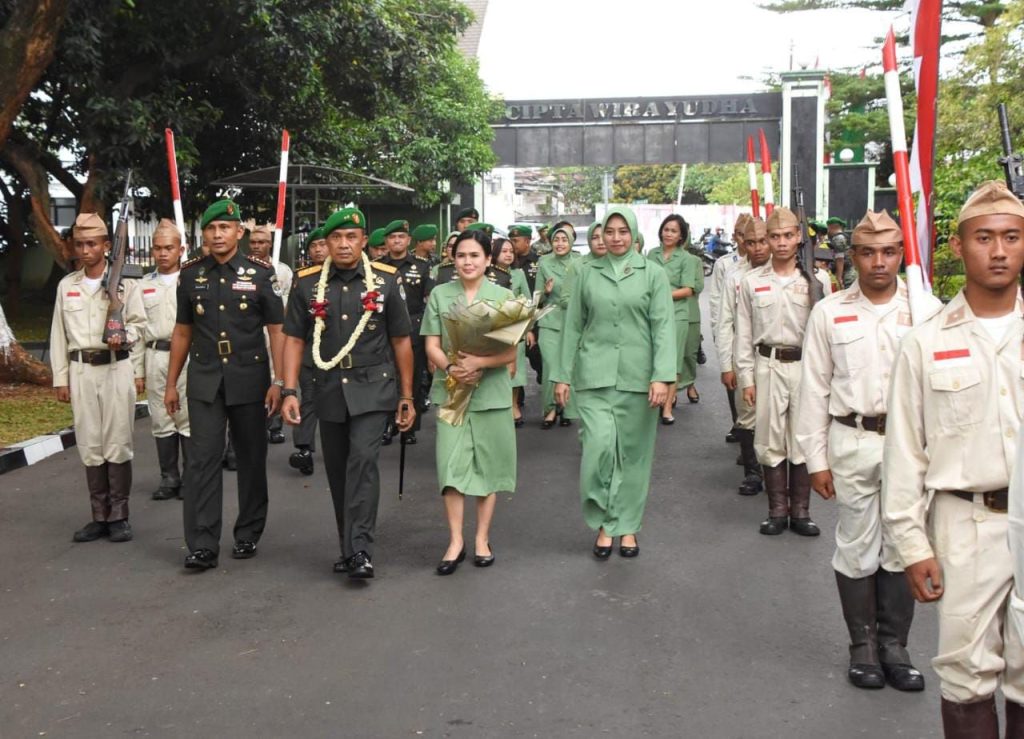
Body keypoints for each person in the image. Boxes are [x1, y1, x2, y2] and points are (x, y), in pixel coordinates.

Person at [881, 181, 1024, 736]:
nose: (998, 250)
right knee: (966, 673)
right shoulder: (924, 342)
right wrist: (912, 546)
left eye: (1011, 237)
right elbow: (904, 455)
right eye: (984, 237)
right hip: (968, 523)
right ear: (958, 247)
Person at [797, 210, 941, 691]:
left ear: (902, 253)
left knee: (905, 545)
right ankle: (862, 647)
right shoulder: (829, 312)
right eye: (867, 252)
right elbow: (813, 389)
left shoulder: (928, 309)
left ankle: (895, 647)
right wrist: (815, 460)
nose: (879, 261)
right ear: (852, 256)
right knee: (857, 546)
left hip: (912, 446)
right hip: (853, 439)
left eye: (889, 251)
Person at [281, 207, 416, 579]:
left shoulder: (386, 280)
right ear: (325, 243)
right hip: (328, 388)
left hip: (374, 388)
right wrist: (289, 389)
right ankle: (348, 545)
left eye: (351, 237)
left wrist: (407, 396)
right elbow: (293, 339)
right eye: (336, 238)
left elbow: (401, 340)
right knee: (339, 471)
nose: (343, 244)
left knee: (363, 462)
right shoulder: (307, 283)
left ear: (362, 241)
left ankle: (360, 549)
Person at [165, 199, 285, 570]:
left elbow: (277, 331)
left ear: (238, 232)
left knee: (251, 458)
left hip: (250, 379)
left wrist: (280, 381)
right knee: (201, 461)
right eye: (211, 229)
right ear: (203, 234)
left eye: (225, 228)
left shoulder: (261, 274)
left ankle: (248, 532)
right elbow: (183, 331)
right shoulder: (190, 275)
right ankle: (202, 543)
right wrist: (171, 382)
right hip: (203, 378)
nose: (218, 235)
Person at [553, 206, 675, 559]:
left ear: (634, 235)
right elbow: (573, 325)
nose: (617, 237)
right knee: (598, 450)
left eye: (623, 231)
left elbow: (664, 328)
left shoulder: (652, 274)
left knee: (634, 457)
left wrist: (662, 377)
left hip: (640, 379)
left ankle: (626, 527)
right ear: (602, 234)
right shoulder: (586, 273)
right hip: (593, 376)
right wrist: (561, 375)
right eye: (610, 231)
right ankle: (605, 518)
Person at [422, 229, 517, 575]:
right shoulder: (439, 295)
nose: (467, 262)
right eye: (461, 255)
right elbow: (431, 344)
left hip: (490, 394)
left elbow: (509, 350)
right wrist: (452, 367)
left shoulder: (503, 295)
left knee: (488, 467)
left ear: (488, 259)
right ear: (453, 259)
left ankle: (481, 538)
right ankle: (455, 540)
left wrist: (479, 363)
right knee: (450, 468)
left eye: (475, 255)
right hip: (450, 391)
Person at [50, 212, 146, 543]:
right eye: (80, 244)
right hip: (81, 370)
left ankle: (119, 515)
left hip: (116, 368)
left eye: (92, 243)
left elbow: (140, 324)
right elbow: (58, 336)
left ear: (107, 246)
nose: (86, 250)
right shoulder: (67, 286)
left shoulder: (126, 283)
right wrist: (60, 379)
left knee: (117, 440)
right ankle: (98, 515)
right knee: (91, 442)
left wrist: (124, 333)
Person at [735, 206, 822, 537]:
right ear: (767, 240)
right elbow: (743, 334)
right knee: (770, 439)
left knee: (802, 439)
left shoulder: (816, 279)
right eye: (775, 236)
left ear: (799, 237)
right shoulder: (752, 281)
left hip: (806, 367)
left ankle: (801, 511)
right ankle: (777, 510)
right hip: (767, 365)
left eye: (788, 235)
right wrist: (746, 378)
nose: (782, 243)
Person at [716, 217, 771, 496]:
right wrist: (726, 365)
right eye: (751, 242)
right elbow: (724, 322)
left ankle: (776, 475)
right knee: (747, 415)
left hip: (778, 357)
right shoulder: (734, 276)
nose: (759, 248)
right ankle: (753, 473)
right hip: (744, 352)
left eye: (764, 240)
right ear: (743, 244)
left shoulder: (793, 274)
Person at [141, 219, 190, 500]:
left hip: (186, 357)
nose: (163, 253)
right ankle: (169, 477)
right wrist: (137, 370)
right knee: (161, 418)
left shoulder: (192, 280)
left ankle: (190, 477)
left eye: (169, 248)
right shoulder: (143, 284)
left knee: (187, 417)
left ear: (180, 249)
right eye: (158, 248)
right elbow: (137, 329)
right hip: (155, 355)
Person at [375, 219, 433, 445]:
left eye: (401, 237)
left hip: (413, 327)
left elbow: (429, 300)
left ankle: (410, 426)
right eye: (392, 237)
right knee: (387, 376)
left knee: (414, 377)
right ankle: (389, 422)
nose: (396, 241)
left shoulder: (422, 265)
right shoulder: (377, 265)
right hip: (384, 329)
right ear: (386, 241)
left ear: (408, 241)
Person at [647, 214, 702, 424]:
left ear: (681, 236)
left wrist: (662, 295)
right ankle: (653, 402)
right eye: (666, 229)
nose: (668, 234)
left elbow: (688, 289)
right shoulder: (652, 255)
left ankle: (668, 407)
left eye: (673, 231)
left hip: (678, 315)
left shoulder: (687, 259)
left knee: (674, 360)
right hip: (652, 313)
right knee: (653, 357)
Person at [288, 227, 329, 476]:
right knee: (310, 399)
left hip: (340, 355)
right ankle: (304, 449)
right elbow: (294, 322)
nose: (318, 249)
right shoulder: (303, 278)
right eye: (314, 245)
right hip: (309, 351)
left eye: (323, 244)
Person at [709, 213, 753, 443]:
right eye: (742, 235)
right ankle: (739, 423)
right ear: (736, 236)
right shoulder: (725, 264)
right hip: (734, 333)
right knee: (733, 381)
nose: (747, 240)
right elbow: (717, 303)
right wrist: (719, 335)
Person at [248, 222, 293, 444]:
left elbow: (290, 303)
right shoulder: (245, 270)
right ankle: (258, 422)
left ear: (270, 244)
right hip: (255, 331)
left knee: (278, 374)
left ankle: (275, 424)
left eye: (262, 242)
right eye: (253, 242)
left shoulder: (283, 271)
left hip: (277, 330)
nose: (257, 246)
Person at [534, 224, 580, 428]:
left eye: (564, 240)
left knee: (570, 367)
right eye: (556, 240)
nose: (560, 244)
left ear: (571, 242)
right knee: (551, 367)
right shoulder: (543, 262)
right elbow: (536, 299)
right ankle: (551, 409)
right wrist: (545, 291)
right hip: (550, 320)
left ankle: (567, 409)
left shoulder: (580, 262)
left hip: (573, 321)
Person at [493, 236, 530, 427]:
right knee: (499, 369)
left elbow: (527, 300)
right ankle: (502, 404)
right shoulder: (487, 273)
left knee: (517, 370)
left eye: (510, 251)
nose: (508, 254)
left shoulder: (519, 274)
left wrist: (528, 329)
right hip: (494, 326)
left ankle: (514, 404)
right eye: (503, 251)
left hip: (516, 326)